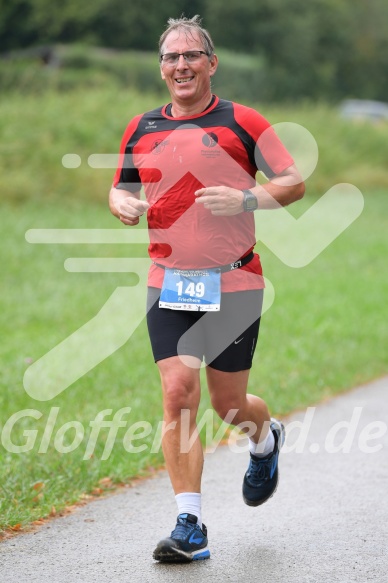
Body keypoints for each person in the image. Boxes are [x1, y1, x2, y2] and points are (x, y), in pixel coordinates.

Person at [109, 15, 305, 563]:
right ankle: (189, 523)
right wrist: (119, 202)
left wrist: (246, 200)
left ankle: (264, 441)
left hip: (235, 280)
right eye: (170, 57)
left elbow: (293, 182)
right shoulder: (141, 127)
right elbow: (120, 186)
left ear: (211, 64)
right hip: (167, 280)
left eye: (191, 55)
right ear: (161, 68)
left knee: (229, 403)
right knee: (177, 394)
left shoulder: (243, 122)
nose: (181, 66)